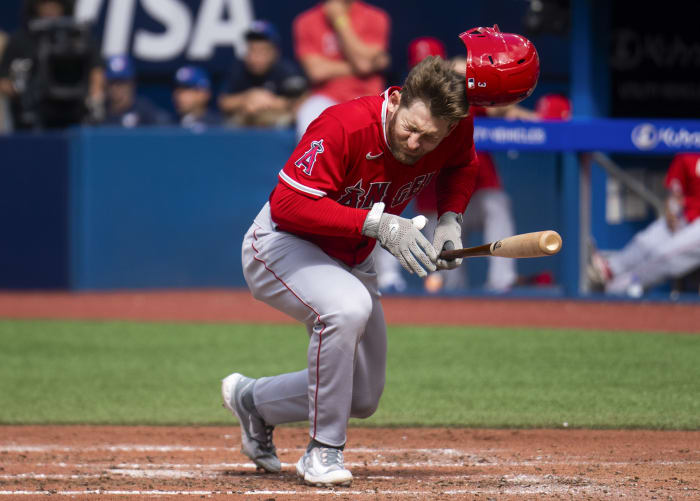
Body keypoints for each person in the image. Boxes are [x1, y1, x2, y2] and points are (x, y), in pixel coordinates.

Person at [220, 25, 539, 487]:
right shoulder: (344, 124)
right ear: (399, 99)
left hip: (352, 256)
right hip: (280, 244)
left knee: (363, 395)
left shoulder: (452, 129)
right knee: (347, 309)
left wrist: (450, 220)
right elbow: (290, 205)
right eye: (410, 129)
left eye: (429, 139)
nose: (416, 144)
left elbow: (462, 164)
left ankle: (254, 401)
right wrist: (376, 223)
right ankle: (323, 452)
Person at [588, 153, 700, 297]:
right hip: (686, 215)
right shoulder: (688, 151)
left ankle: (621, 288)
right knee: (646, 241)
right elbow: (675, 191)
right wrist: (672, 210)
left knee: (665, 255)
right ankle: (609, 269)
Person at [293, 0, 391, 139]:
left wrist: (339, 20)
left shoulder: (375, 17)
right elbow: (316, 72)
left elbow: (362, 64)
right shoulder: (306, 21)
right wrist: (367, 65)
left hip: (368, 97)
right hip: (326, 98)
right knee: (309, 119)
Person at [0, 0, 105, 129]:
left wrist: (95, 98)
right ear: (35, 6)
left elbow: (96, 70)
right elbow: (3, 80)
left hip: (75, 115)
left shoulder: (79, 36)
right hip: (30, 120)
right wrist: (21, 89)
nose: (50, 9)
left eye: (55, 4)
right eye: (45, 4)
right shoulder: (21, 39)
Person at [218, 20, 307, 128]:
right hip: (245, 122)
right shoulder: (239, 68)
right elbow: (224, 102)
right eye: (252, 50)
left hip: (277, 125)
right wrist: (248, 97)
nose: (255, 57)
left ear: (274, 52)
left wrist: (268, 101)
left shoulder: (286, 70)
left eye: (262, 51)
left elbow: (302, 100)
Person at [101, 54, 171, 128]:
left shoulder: (145, 112)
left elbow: (166, 128)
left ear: (132, 84)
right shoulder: (100, 111)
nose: (115, 88)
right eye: (112, 82)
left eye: (121, 82)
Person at [172, 65, 220, 132]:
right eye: (176, 88)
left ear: (204, 93)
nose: (178, 94)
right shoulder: (167, 123)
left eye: (186, 88)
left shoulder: (220, 126)